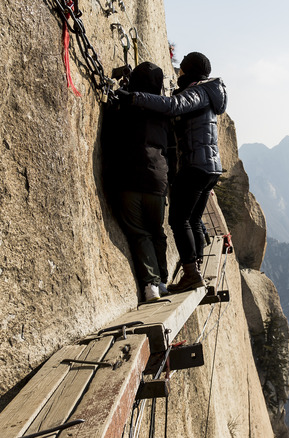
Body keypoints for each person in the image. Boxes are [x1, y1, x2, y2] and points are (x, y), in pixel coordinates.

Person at [117, 51, 227, 293]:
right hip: (211, 167)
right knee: (194, 219)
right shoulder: (209, 93)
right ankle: (196, 268)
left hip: (196, 165)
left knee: (179, 220)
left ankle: (191, 273)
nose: (179, 75)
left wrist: (134, 97)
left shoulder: (198, 92)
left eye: (182, 71)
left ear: (188, 72)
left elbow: (173, 105)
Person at [103, 62, 171, 302]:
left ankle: (150, 285)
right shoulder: (164, 111)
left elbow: (110, 130)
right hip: (157, 181)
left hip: (129, 178)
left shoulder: (124, 103)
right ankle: (162, 281)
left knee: (140, 233)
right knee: (156, 231)